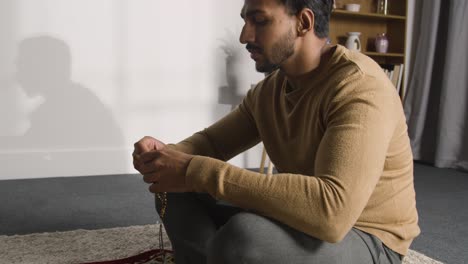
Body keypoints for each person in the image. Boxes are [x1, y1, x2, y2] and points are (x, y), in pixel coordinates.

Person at [133, 0, 420, 263]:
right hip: (300, 219)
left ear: (303, 23)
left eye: (260, 21)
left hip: (368, 237)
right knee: (170, 181)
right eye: (246, 20)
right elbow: (211, 142)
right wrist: (164, 156)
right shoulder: (269, 91)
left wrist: (194, 169)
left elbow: (332, 213)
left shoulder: (359, 85)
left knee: (244, 237)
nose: (245, 36)